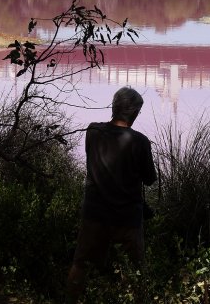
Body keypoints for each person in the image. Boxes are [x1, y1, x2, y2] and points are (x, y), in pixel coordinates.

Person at [67, 86, 157, 303]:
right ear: (134, 112)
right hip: (127, 218)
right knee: (136, 269)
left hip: (94, 213)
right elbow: (150, 179)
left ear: (114, 108)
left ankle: (70, 299)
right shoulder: (140, 141)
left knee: (81, 263)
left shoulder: (93, 131)